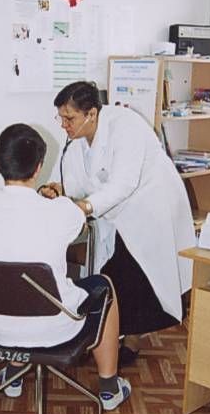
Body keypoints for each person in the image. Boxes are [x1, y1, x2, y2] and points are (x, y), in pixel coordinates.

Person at [0, 123, 131, 411]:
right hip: (55, 327)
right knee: (104, 285)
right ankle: (110, 388)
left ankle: (12, 375)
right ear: (38, 168)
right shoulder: (59, 211)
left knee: (13, 287)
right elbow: (79, 221)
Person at [39, 81, 196, 365]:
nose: (64, 125)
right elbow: (76, 180)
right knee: (115, 275)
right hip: (117, 214)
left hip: (151, 208)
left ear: (91, 114)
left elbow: (123, 184)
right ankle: (110, 340)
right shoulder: (76, 140)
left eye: (69, 118)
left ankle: (129, 339)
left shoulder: (125, 126)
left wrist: (85, 206)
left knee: (134, 274)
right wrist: (57, 189)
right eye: (60, 118)